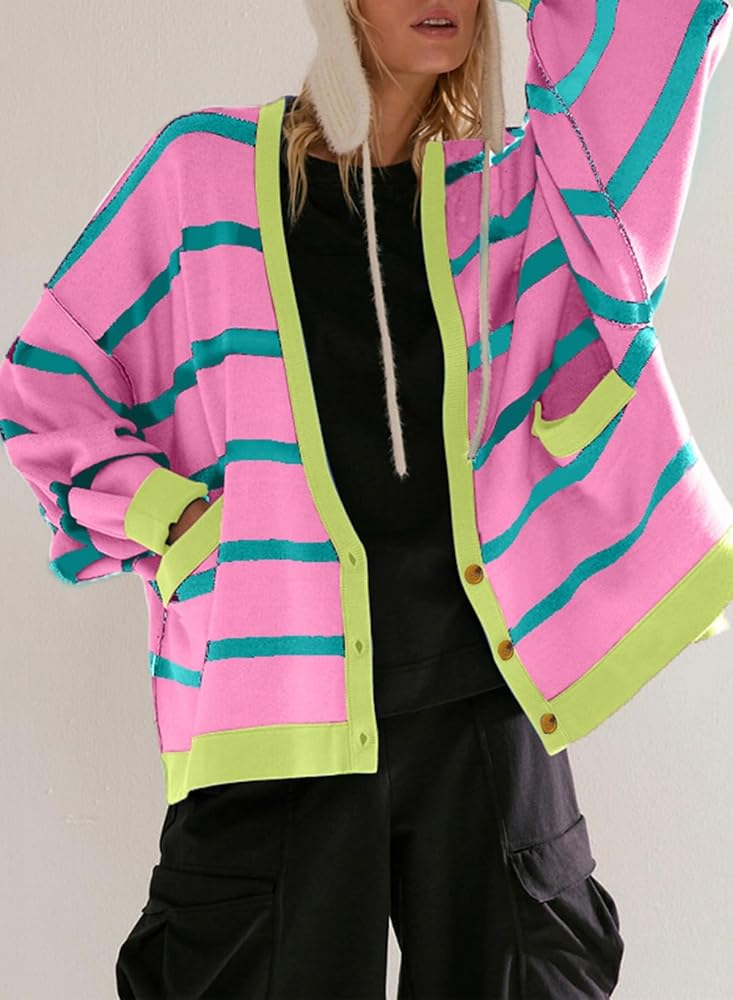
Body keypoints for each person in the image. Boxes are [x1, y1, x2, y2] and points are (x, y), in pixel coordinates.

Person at [2, 0, 731, 996]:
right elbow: (48, 385)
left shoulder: (524, 192)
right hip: (273, 717)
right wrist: (170, 522)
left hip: (484, 709)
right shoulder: (201, 172)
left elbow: (648, 33)